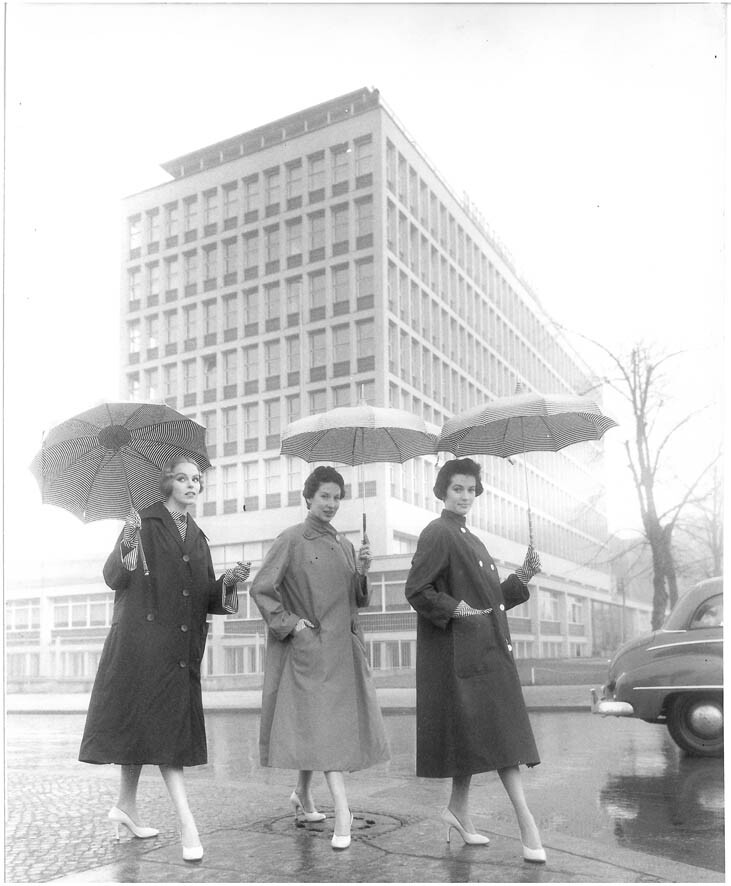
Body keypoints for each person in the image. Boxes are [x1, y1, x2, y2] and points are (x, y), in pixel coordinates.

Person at [78, 458, 250, 862]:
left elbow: (205, 596)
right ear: (167, 482)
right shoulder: (142, 523)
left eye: (197, 479)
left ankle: (126, 806)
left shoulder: (198, 536)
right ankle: (188, 824)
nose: (192, 484)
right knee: (166, 738)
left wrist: (228, 581)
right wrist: (128, 539)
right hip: (142, 647)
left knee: (144, 731)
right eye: (182, 478)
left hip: (178, 651)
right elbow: (114, 577)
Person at [404, 457, 546, 863]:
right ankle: (527, 824)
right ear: (443, 492)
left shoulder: (469, 537)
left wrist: (523, 577)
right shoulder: (438, 532)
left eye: (470, 490)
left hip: (486, 652)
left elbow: (490, 600)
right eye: (457, 489)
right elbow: (416, 589)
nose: (465, 496)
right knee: (504, 741)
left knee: (473, 740)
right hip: (462, 657)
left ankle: (457, 811)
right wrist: (455, 608)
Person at [250, 465, 389, 850]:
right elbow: (262, 588)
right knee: (327, 734)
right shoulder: (291, 539)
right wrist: (293, 625)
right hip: (312, 652)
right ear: (308, 498)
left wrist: (363, 572)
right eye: (324, 496)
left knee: (319, 729)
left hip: (343, 652)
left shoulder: (345, 545)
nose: (331, 503)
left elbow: (356, 600)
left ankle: (302, 793)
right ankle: (343, 812)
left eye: (336, 497)